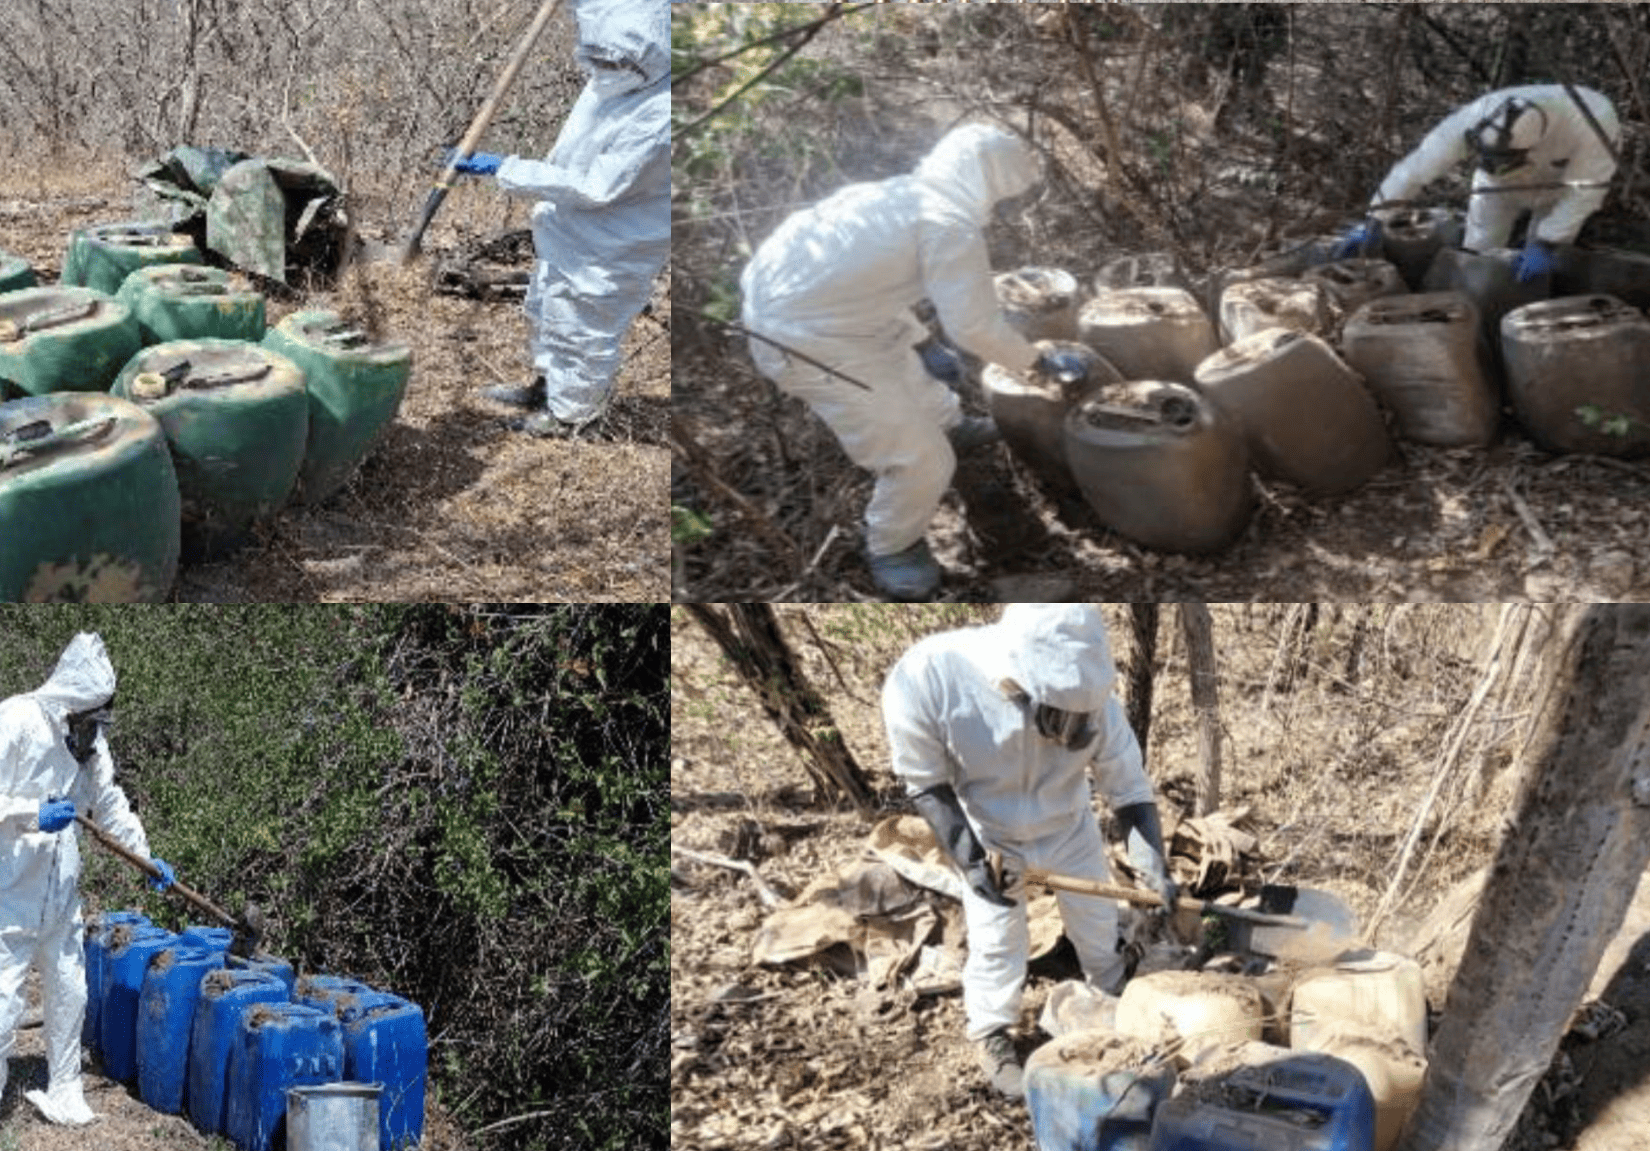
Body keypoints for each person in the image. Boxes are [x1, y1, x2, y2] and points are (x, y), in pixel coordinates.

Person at [739, 123, 1061, 601]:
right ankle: (892, 545)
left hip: (828, 318)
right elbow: (973, 327)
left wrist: (923, 339)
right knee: (921, 458)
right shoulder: (948, 223)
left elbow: (866, 280)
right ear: (991, 182)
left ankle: (949, 422)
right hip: (807, 344)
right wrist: (1033, 360)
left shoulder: (897, 194)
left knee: (910, 373)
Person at [882, 604, 1176, 1102]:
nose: (1074, 730)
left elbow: (1128, 788)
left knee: (1099, 927)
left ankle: (1109, 997)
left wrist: (1153, 865)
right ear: (1018, 686)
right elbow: (925, 782)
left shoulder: (1099, 704)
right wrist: (972, 863)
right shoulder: (931, 676)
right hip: (989, 832)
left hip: (1069, 825)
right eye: (1063, 718)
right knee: (998, 940)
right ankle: (993, 1034)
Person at [0, 633, 174, 1151]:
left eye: (99, 721)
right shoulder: (16, 718)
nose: (92, 730)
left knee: (70, 992)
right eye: (87, 717)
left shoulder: (90, 739)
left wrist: (144, 856)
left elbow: (110, 802)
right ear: (69, 701)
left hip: (62, 896)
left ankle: (65, 1088)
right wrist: (33, 816)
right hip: (13, 894)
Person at [452, 0, 671, 436]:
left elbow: (596, 186)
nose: (604, 65)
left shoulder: (661, 111)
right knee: (546, 307)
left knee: (583, 325)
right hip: (569, 226)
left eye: (614, 57)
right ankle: (549, 386)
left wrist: (505, 168)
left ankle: (571, 417)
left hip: (616, 238)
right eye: (598, 54)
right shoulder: (611, 78)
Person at [1336, 84, 1619, 282]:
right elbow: (1416, 167)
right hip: (1495, 188)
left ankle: (1523, 305)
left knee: (1537, 265)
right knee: (1478, 250)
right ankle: (1475, 303)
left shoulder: (1594, 120)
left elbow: (1586, 190)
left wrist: (1548, 241)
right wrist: (1376, 217)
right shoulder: (1480, 112)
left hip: (1559, 189)